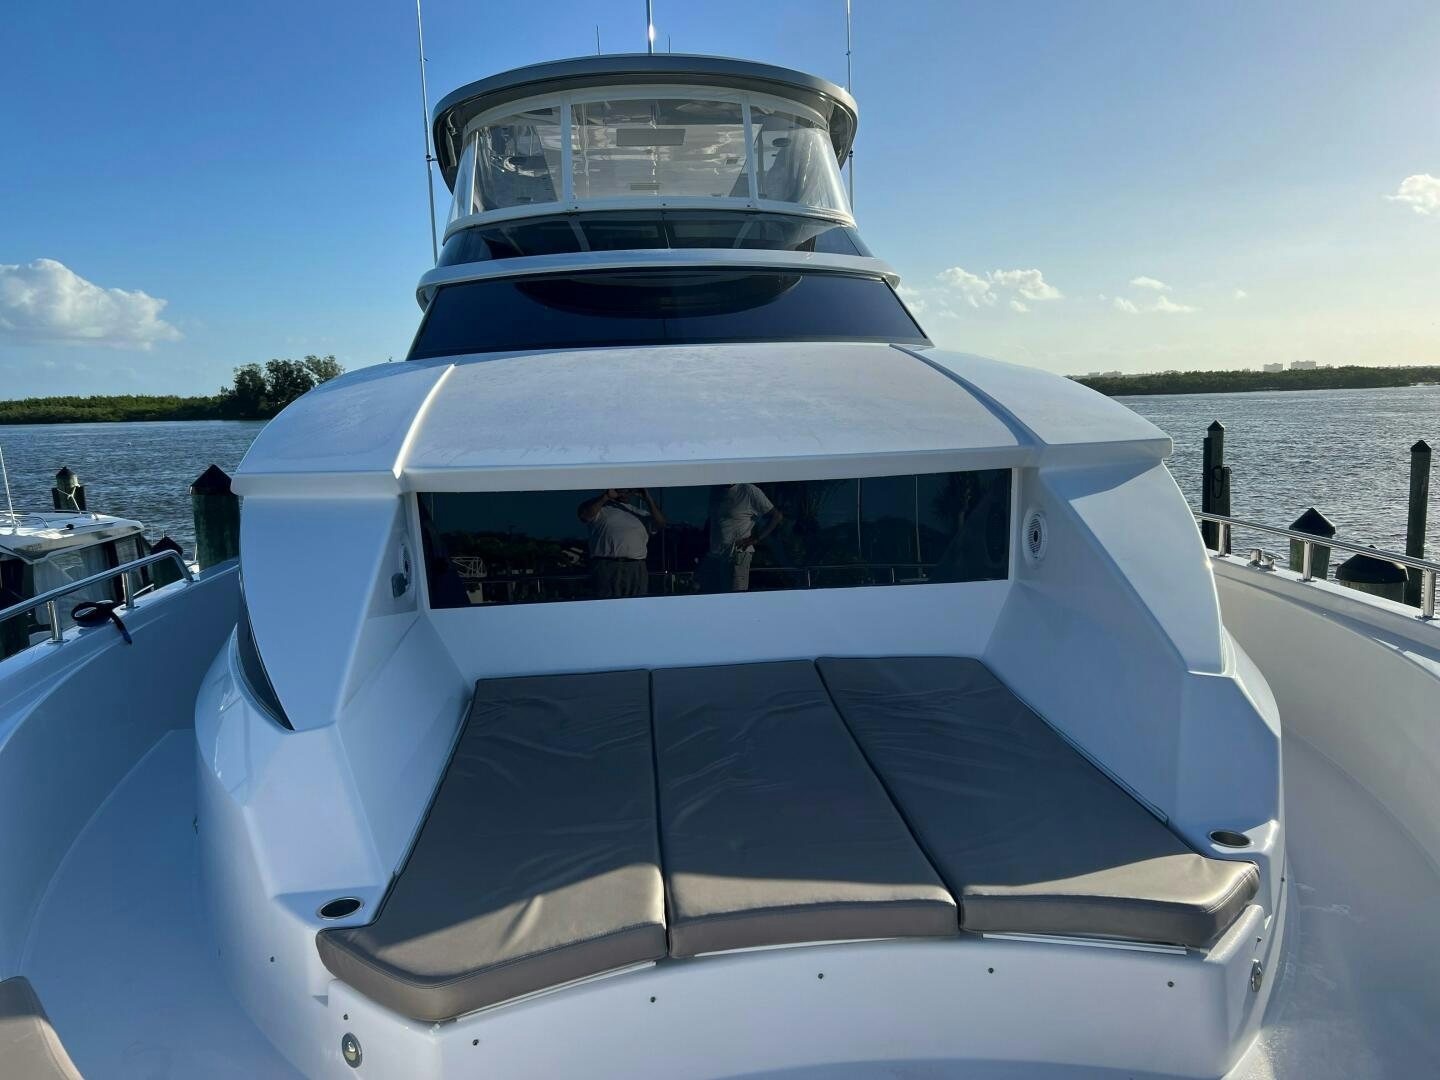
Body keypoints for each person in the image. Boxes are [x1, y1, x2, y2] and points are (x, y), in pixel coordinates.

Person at [577, 488, 665, 599]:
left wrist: (648, 498)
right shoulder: (601, 509)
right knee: (606, 604)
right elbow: (584, 515)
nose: (624, 491)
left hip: (636, 567)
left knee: (637, 603)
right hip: (606, 566)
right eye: (621, 488)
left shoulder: (641, 513)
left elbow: (661, 523)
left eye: (628, 489)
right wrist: (605, 497)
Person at [698, 483, 783, 593]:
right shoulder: (715, 489)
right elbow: (712, 519)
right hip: (715, 557)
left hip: (737, 556)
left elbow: (776, 516)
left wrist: (755, 539)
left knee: (735, 600)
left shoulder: (748, 490)